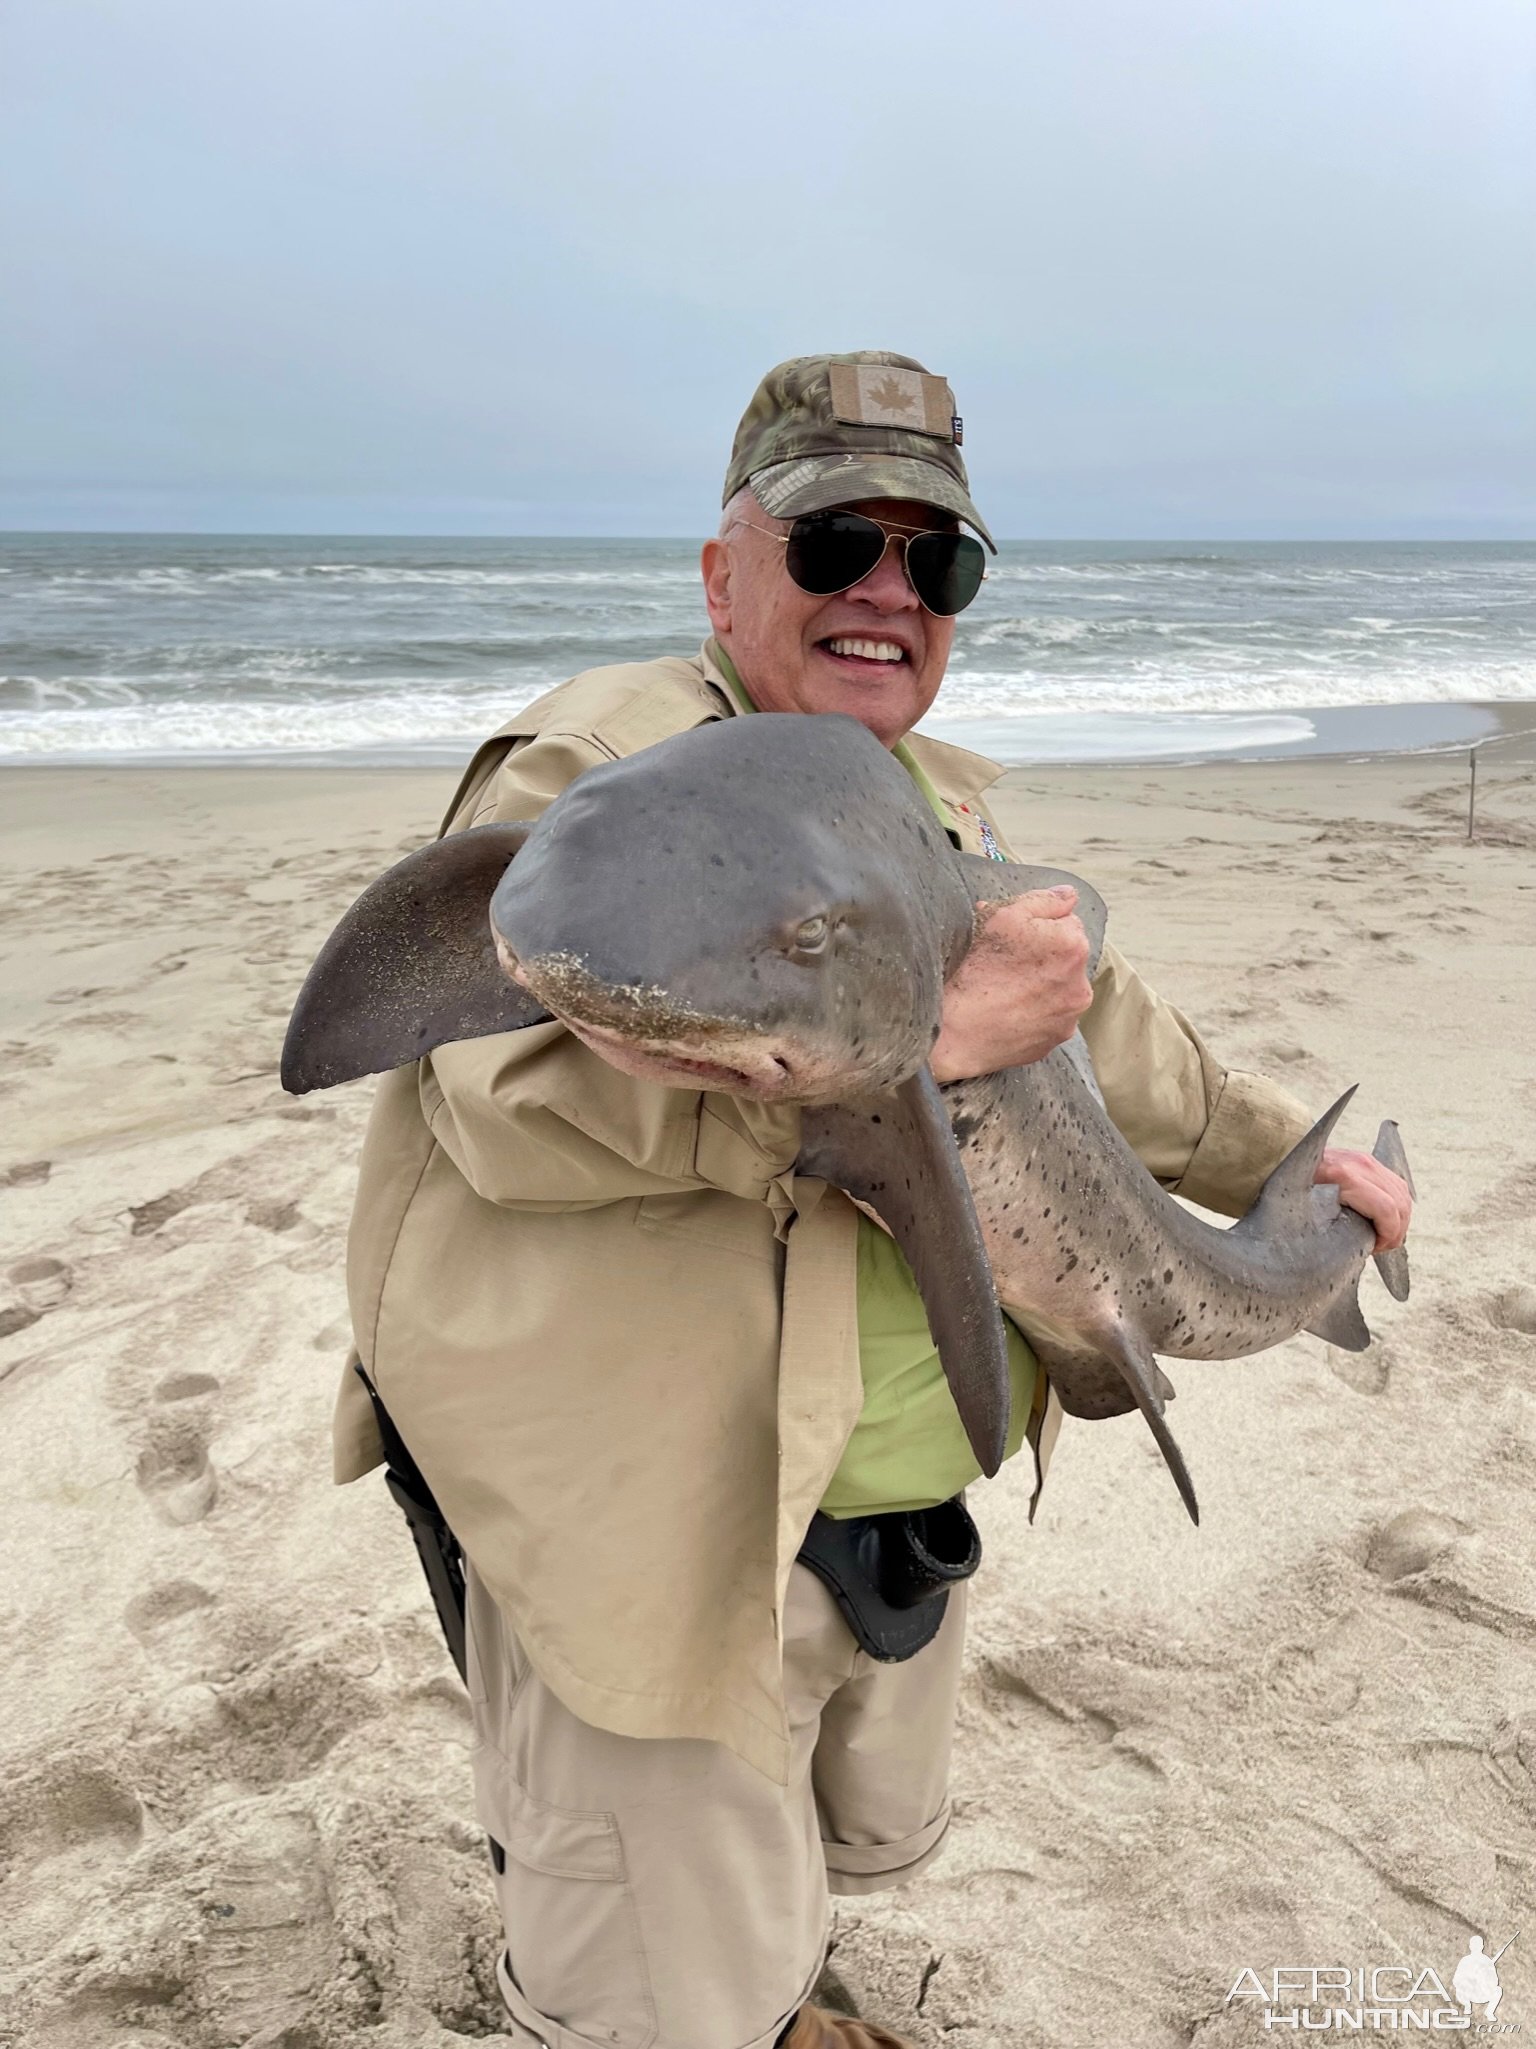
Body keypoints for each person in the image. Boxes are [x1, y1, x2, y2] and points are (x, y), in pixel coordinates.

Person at [332, 351, 1413, 2049]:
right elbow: (497, 1104)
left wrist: (1303, 1166)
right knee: (654, 1967)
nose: (889, 595)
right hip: (668, 1533)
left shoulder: (930, 804)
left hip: (887, 1493)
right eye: (838, 543)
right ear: (724, 572)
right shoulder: (593, 777)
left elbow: (1120, 1049)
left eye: (939, 560)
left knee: (802, 1864)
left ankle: (790, 1993)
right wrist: (879, 1060)